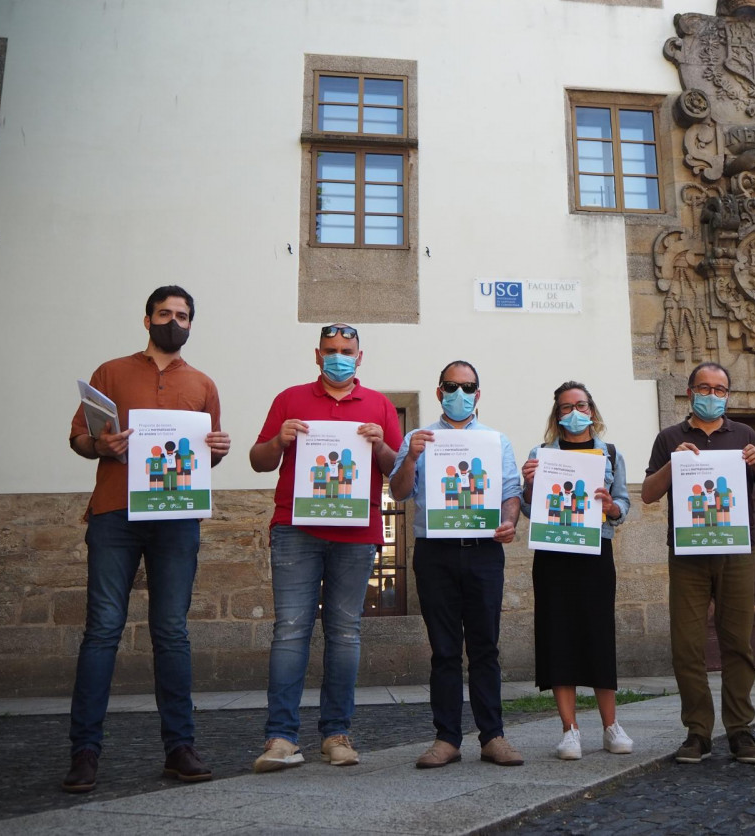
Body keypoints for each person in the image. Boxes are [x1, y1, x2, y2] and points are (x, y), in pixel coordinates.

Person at [63, 285, 231, 793]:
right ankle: (84, 753)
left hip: (178, 517)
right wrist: (101, 444)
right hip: (115, 512)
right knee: (103, 630)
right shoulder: (110, 372)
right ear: (147, 320)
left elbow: (209, 453)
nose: (173, 322)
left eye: (182, 316)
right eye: (165, 313)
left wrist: (217, 449)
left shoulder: (203, 384)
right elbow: (78, 438)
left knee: (172, 632)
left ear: (190, 325)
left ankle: (180, 747)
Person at [249, 324, 402, 773]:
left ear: (360, 357)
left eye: (346, 351)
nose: (339, 357)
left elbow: (396, 468)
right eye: (331, 351)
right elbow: (259, 460)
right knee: (290, 630)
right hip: (296, 529)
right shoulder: (289, 398)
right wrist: (279, 440)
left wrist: (380, 446)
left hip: (357, 531)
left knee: (345, 632)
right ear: (317, 355)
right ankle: (280, 738)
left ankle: (336, 734)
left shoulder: (378, 405)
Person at [389, 360, 524, 768]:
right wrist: (411, 458)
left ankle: (493, 736)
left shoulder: (496, 440)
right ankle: (446, 738)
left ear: (478, 395)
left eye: (468, 387)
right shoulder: (417, 437)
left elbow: (510, 491)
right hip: (435, 554)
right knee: (444, 649)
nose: (460, 393)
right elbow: (398, 492)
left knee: (485, 647)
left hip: (483, 551)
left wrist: (510, 523)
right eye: (451, 386)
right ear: (439, 392)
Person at [641, 362, 755, 765]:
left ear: (727, 395)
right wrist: (672, 464)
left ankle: (740, 729)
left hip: (735, 552)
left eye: (720, 389)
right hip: (688, 554)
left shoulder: (745, 434)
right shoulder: (669, 437)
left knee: (737, 643)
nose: (712, 395)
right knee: (688, 647)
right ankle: (698, 731)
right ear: (690, 391)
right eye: (704, 388)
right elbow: (647, 494)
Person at [521, 381, 633, 761]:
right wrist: (529, 484)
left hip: (595, 552)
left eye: (580, 405)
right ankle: (569, 730)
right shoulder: (542, 453)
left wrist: (611, 507)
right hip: (554, 554)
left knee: (598, 634)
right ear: (556, 414)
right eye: (566, 407)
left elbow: (622, 504)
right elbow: (527, 508)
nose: (574, 412)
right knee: (558, 635)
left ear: (592, 410)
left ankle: (610, 726)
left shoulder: (610, 453)